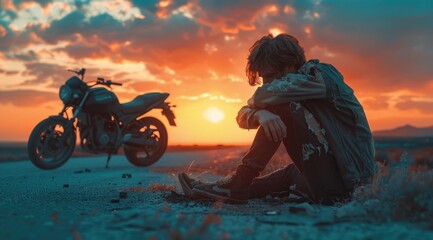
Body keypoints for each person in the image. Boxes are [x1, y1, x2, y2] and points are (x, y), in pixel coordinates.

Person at [178, 33, 375, 205]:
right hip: (326, 179)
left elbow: (263, 96)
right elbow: (242, 115)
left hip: (349, 186)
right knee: (285, 175)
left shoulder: (322, 77)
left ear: (290, 66)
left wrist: (263, 107)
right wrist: (261, 114)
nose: (266, 84)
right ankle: (221, 189)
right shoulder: (289, 91)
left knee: (281, 106)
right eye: (264, 79)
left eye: (270, 76)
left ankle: (237, 184)